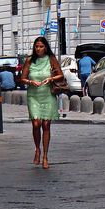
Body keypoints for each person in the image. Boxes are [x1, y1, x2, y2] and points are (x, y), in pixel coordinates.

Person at [21, 37, 64, 169]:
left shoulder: (51, 58)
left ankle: (45, 155)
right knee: (36, 123)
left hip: (48, 94)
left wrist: (51, 78)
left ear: (45, 47)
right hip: (34, 95)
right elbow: (22, 78)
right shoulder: (29, 60)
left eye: (41, 46)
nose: (38, 49)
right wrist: (30, 82)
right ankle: (37, 149)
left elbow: (60, 75)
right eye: (36, 46)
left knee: (46, 124)